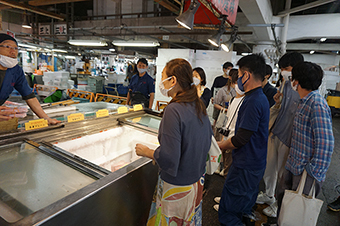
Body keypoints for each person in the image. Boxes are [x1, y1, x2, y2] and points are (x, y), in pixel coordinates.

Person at [135, 58, 212, 226]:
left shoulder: (173, 110)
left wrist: (147, 152)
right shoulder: (198, 104)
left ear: (173, 80)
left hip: (176, 187)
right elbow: (206, 142)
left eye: (163, 76)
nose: (161, 82)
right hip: (195, 183)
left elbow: (169, 157)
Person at [277, 61, 334, 219]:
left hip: (306, 171)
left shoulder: (317, 104)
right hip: (294, 164)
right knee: (286, 204)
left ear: (297, 81)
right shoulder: (304, 101)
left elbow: (326, 144)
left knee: (298, 211)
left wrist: (312, 172)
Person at [217, 54, 269, 226]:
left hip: (245, 166)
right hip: (254, 163)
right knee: (243, 208)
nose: (238, 80)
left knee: (229, 213)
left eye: (239, 75)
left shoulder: (253, 101)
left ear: (246, 75)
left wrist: (219, 146)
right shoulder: (260, 98)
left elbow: (241, 139)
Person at [256, 52, 303, 218]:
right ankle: (269, 195)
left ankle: (279, 203)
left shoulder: (303, 86)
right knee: (269, 167)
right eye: (282, 68)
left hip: (289, 136)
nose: (283, 71)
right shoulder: (285, 82)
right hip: (276, 130)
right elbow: (281, 106)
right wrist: (277, 101)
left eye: (286, 68)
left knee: (284, 173)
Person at [0, 33, 60, 124]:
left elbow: (29, 96)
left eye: (16, 48)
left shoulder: (16, 71)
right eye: (7, 46)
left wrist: (46, 119)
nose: (13, 51)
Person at [213, 69, 237, 141]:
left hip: (235, 118)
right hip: (224, 118)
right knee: (221, 139)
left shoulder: (241, 91)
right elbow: (215, 104)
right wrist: (224, 109)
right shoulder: (223, 90)